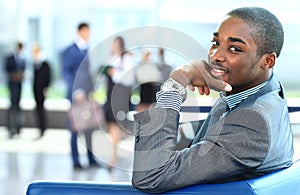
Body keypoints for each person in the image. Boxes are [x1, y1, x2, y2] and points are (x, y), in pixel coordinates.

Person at [132, 7, 294, 193]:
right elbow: (208, 133)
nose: (216, 56)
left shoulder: (252, 122)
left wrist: (176, 84)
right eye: (215, 42)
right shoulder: (260, 91)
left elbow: (150, 177)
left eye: (235, 49)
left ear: (267, 62)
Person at [61, 22, 99, 169]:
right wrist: (76, 91)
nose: (88, 34)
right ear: (80, 31)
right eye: (87, 31)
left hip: (87, 96)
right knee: (74, 128)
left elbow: (87, 74)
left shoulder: (86, 49)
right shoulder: (70, 51)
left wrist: (92, 91)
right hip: (76, 96)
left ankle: (91, 159)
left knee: (89, 128)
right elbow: (66, 73)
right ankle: (76, 160)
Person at [102, 36, 135, 168]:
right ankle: (114, 153)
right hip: (110, 95)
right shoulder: (112, 59)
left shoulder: (127, 59)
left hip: (120, 96)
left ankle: (114, 155)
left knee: (116, 123)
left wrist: (114, 73)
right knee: (112, 124)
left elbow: (128, 79)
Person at [5, 42, 26, 138]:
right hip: (12, 84)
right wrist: (13, 75)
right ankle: (10, 127)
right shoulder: (10, 58)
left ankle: (18, 128)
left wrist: (21, 76)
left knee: (18, 106)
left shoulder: (23, 59)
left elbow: (23, 71)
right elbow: (7, 70)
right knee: (12, 106)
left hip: (19, 85)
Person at [31, 43, 51, 138]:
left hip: (42, 88)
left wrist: (46, 87)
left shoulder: (44, 63)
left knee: (41, 108)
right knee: (38, 108)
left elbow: (48, 76)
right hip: (36, 88)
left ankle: (43, 127)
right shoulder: (34, 63)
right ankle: (40, 127)